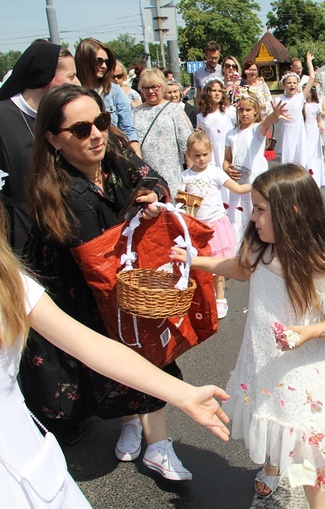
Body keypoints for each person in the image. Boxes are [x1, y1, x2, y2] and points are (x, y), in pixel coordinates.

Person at [0, 193, 231, 508]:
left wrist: (182, 393)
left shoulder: (10, 283)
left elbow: (93, 347)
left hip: (31, 467)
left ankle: (152, 438)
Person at [20, 84, 196, 481]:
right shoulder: (52, 189)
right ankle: (130, 421)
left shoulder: (114, 157)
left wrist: (152, 196)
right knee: (112, 365)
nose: (97, 134)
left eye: (101, 121)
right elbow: (92, 249)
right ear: (53, 138)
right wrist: (134, 216)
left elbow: (152, 177)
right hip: (84, 295)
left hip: (130, 287)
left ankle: (159, 445)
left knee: (150, 355)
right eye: (81, 129)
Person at [169, 164, 325, 508]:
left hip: (298, 373)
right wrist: (196, 260)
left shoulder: (317, 262)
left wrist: (308, 333)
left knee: (306, 447)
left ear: (290, 213)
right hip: (261, 360)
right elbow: (237, 268)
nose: (252, 217)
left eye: (260, 209)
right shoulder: (263, 248)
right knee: (272, 418)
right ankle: (273, 466)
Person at [0, 42, 80, 254]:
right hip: (17, 236)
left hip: (62, 229)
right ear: (47, 78)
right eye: (71, 76)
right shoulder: (3, 116)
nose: (78, 83)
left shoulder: (60, 115)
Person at [181, 132, 253, 318]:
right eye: (196, 155)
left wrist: (258, 185)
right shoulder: (184, 177)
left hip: (215, 226)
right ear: (188, 154)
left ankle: (220, 298)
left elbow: (237, 188)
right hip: (196, 227)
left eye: (205, 154)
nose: (201, 159)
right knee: (199, 265)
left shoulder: (214, 172)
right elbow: (180, 201)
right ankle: (205, 296)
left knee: (217, 265)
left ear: (211, 153)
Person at [225, 94, 287, 239]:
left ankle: (262, 240)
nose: (244, 113)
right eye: (241, 110)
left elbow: (266, 123)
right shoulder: (231, 133)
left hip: (256, 176)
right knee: (240, 214)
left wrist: (275, 114)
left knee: (259, 209)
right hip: (239, 179)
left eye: (248, 110)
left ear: (255, 112)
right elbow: (227, 159)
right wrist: (227, 168)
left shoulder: (256, 130)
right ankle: (241, 244)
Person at [132, 69, 193, 197]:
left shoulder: (173, 109)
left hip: (171, 175)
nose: (150, 91)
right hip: (145, 176)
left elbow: (187, 146)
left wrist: (191, 179)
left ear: (162, 87)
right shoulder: (135, 112)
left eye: (155, 87)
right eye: (146, 87)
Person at [75, 38, 140, 155]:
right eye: (99, 61)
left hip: (112, 154)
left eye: (107, 62)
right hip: (81, 156)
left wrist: (138, 162)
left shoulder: (114, 91)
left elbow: (128, 130)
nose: (104, 66)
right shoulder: (72, 92)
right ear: (85, 61)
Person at [277, 52, 316, 167]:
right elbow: (274, 116)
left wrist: (309, 61)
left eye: (294, 83)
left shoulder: (300, 97)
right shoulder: (279, 99)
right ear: (284, 85)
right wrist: (279, 116)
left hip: (299, 129)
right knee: (288, 157)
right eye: (289, 83)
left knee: (301, 157)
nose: (292, 85)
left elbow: (312, 78)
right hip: (288, 130)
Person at [197, 78, 235, 174]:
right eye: (214, 91)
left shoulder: (229, 111)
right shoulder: (201, 116)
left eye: (219, 91)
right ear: (207, 93)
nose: (217, 93)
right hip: (213, 154)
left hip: (228, 150)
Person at [304, 83, 325, 187]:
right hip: (305, 132)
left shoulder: (316, 106)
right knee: (307, 153)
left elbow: (319, 121)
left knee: (315, 155)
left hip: (314, 132)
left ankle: (315, 177)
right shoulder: (302, 106)